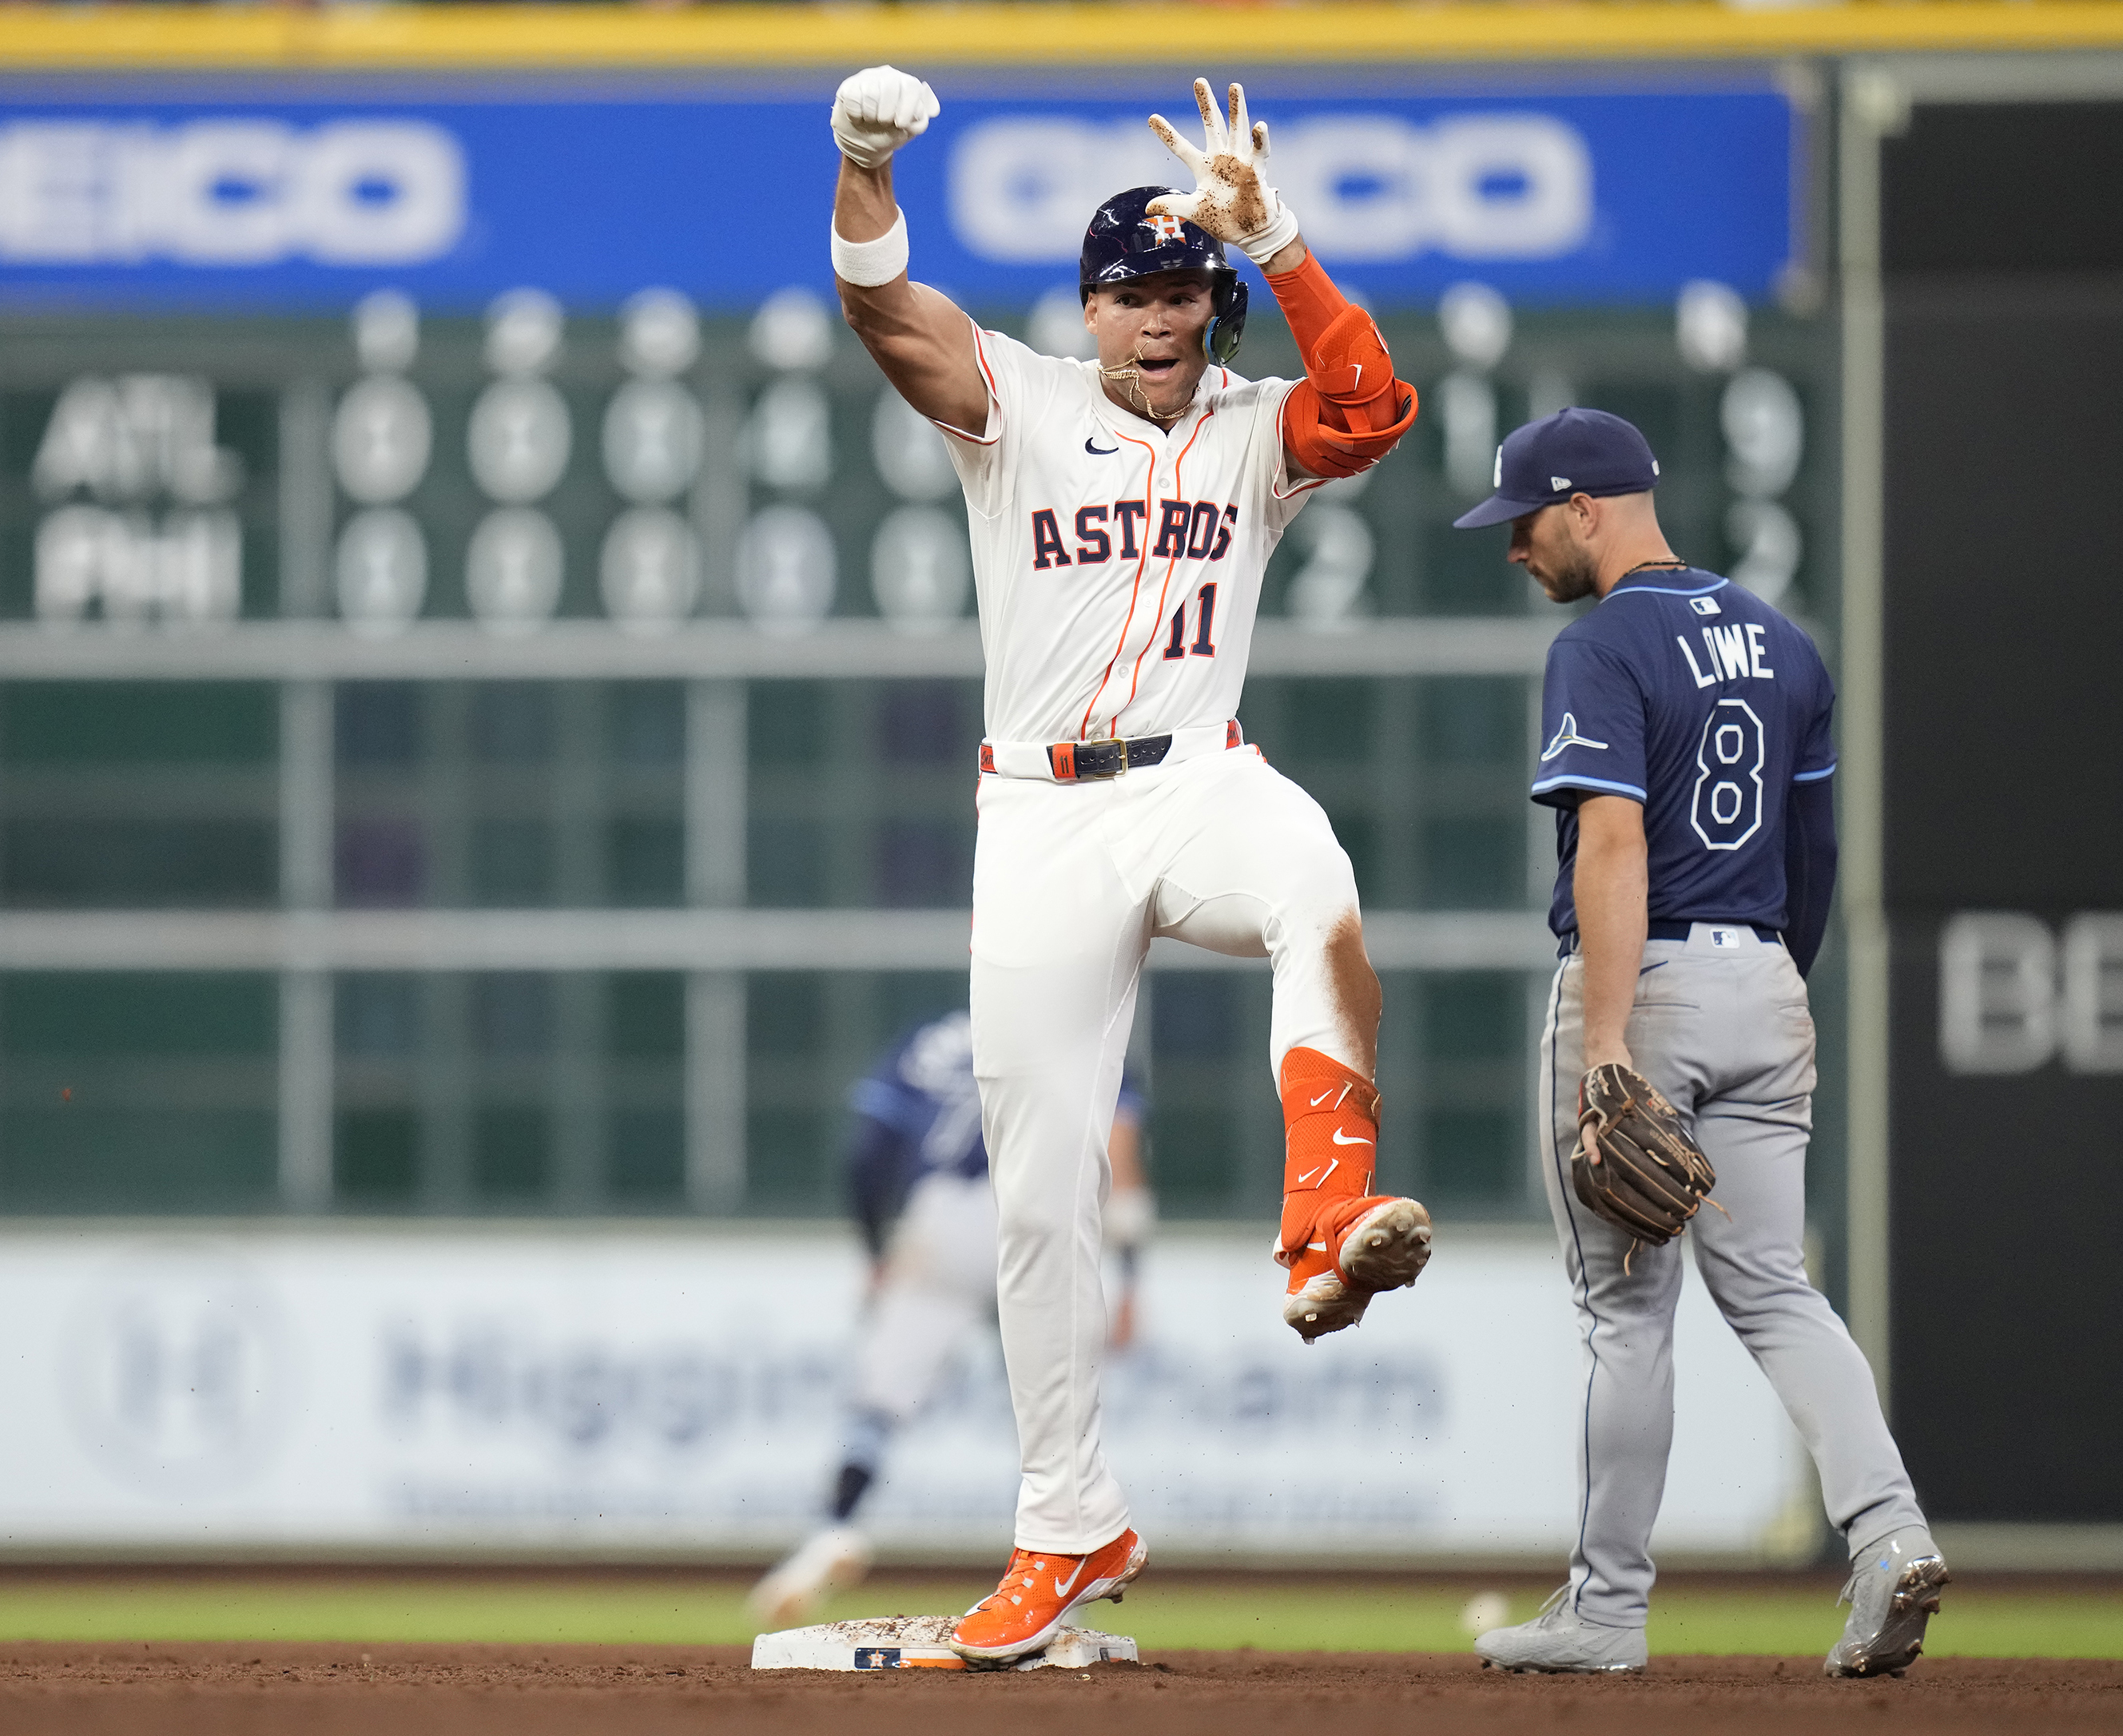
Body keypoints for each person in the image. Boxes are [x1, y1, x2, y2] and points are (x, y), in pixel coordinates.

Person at [827, 68, 1433, 1663]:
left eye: (1184, 290)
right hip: (1035, 814)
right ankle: (1065, 1525)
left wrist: (1281, 241)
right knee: (1036, 1200)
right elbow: (886, 317)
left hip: (1193, 777)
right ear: (1088, 309)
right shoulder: (1020, 401)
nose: (1159, 316)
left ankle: (1322, 1230)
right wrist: (859, 173)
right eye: (1130, 291)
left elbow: (1374, 409)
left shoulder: (1250, 430)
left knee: (1313, 885)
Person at [1454, 408, 1946, 1678]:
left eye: (1523, 522)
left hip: (1644, 981)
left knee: (1626, 1315)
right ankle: (1890, 1533)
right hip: (1766, 975)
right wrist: (1777, 989)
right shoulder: (1785, 642)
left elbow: (1611, 840)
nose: (1515, 549)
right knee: (1778, 1289)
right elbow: (1816, 856)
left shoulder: (1599, 643)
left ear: (1583, 508)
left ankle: (1607, 1610)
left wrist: (1610, 1039)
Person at [747, 1009, 1151, 1630]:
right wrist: (1129, 1277)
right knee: (1053, 1405)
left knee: (878, 1402)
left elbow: (866, 1152)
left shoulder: (928, 1038)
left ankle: (834, 1529)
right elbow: (1118, 1149)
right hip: (1035, 1213)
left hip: (940, 1219)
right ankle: (1062, 1560)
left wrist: (874, 1249)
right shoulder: (1078, 1022)